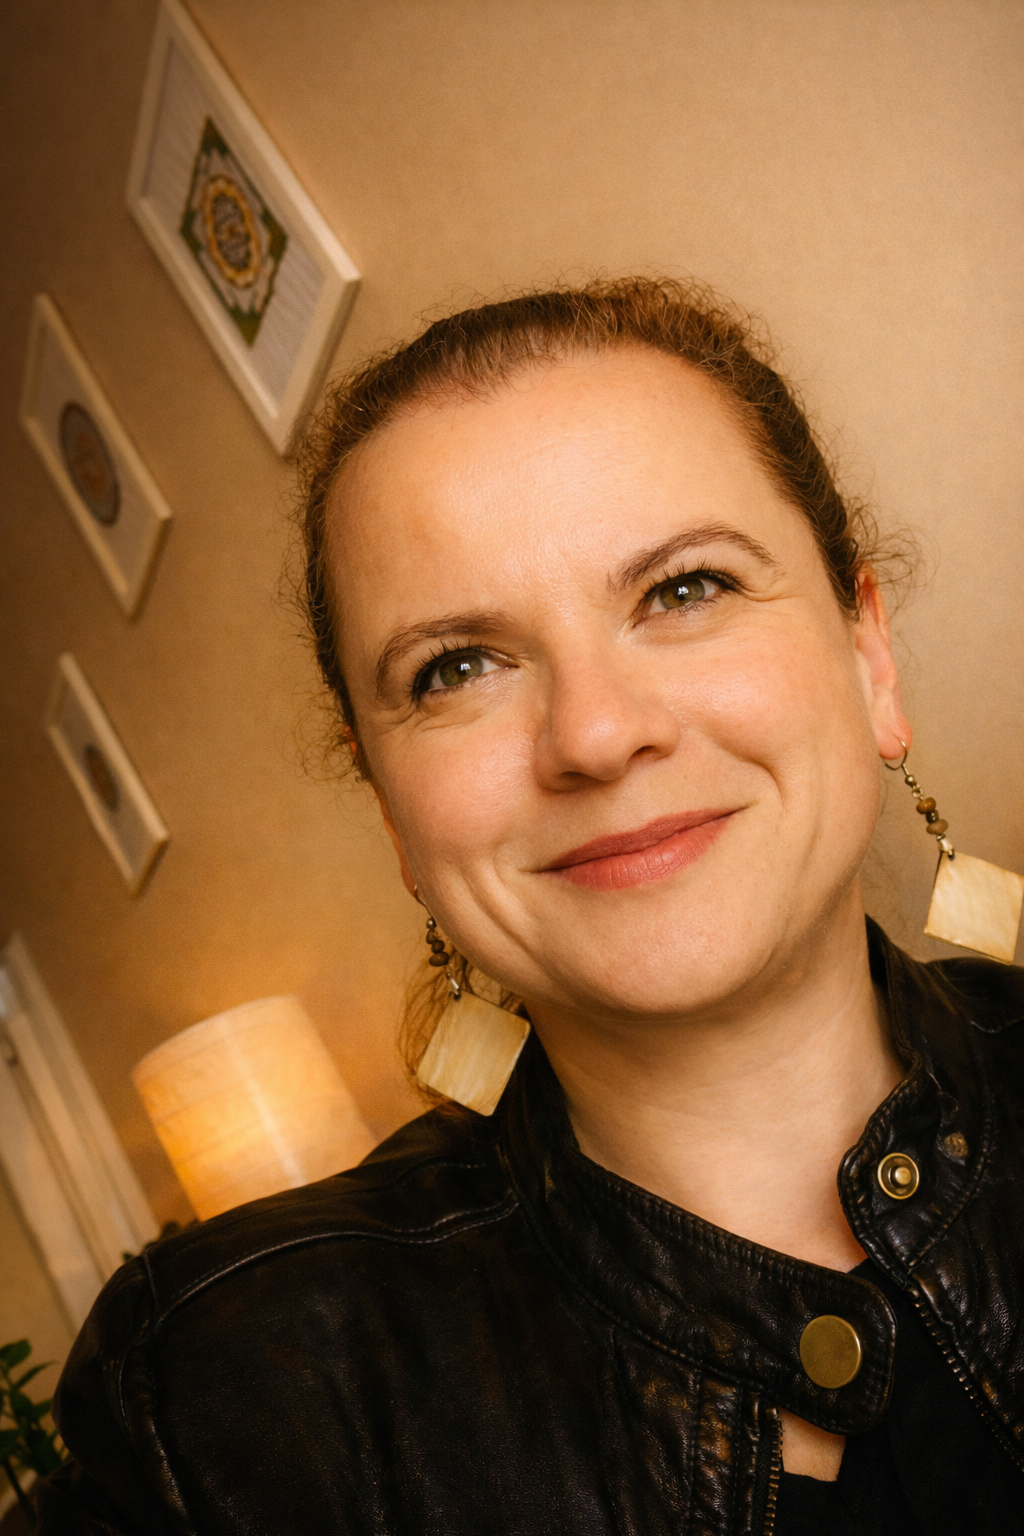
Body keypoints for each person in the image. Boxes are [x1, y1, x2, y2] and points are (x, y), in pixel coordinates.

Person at [39, 280, 1024, 1535]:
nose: (596, 734)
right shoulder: (220, 1397)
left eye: (684, 589)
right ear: (393, 814)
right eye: (456, 668)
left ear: (867, 655)